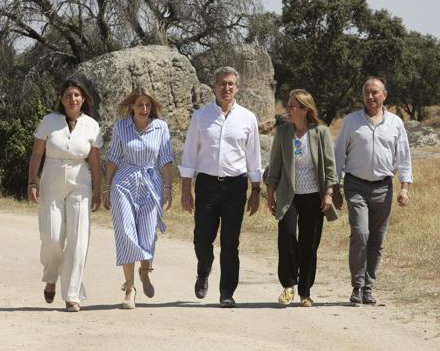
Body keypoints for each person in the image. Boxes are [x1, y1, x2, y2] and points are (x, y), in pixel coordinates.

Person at [179, 66, 262, 308]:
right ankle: (203, 270)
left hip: (236, 186)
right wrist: (185, 189)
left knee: (230, 241)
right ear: (214, 86)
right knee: (201, 239)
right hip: (206, 184)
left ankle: (227, 292)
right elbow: (189, 154)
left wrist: (255, 190)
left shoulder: (248, 118)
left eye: (231, 84)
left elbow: (253, 156)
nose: (226, 88)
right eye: (222, 84)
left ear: (237, 88)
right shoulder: (201, 117)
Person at [332, 77, 412, 305]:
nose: (370, 96)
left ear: (384, 95)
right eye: (366, 92)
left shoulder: (395, 123)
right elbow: (339, 155)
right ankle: (357, 285)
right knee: (360, 233)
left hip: (383, 187)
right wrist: (335, 187)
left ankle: (369, 287)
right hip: (355, 185)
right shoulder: (351, 121)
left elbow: (403, 157)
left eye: (375, 92)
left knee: (377, 240)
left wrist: (404, 188)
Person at [27, 78, 102, 313]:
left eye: (77, 95)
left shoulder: (91, 125)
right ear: (62, 99)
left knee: (79, 239)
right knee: (52, 236)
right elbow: (37, 154)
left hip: (80, 182)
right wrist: (32, 181)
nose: (73, 99)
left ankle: (72, 295)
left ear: (83, 99)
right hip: (51, 179)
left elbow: (95, 161)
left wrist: (99, 189)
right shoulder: (49, 121)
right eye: (68, 95)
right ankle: (51, 275)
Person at [265, 89, 338, 307]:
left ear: (305, 110)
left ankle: (305, 291)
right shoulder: (283, 132)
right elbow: (274, 165)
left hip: (314, 196)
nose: (287, 109)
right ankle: (288, 285)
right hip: (289, 196)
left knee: (309, 244)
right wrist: (270, 193)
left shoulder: (321, 132)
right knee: (287, 236)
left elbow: (331, 166)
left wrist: (329, 193)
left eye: (292, 106)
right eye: (288, 105)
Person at [103, 87, 174, 310]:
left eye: (148, 105)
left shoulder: (161, 127)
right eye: (140, 104)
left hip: (151, 183)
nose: (144, 109)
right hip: (124, 182)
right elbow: (113, 157)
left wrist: (168, 187)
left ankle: (145, 270)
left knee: (147, 233)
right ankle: (130, 288)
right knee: (125, 231)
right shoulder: (121, 127)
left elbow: (166, 159)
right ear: (132, 106)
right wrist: (106, 187)